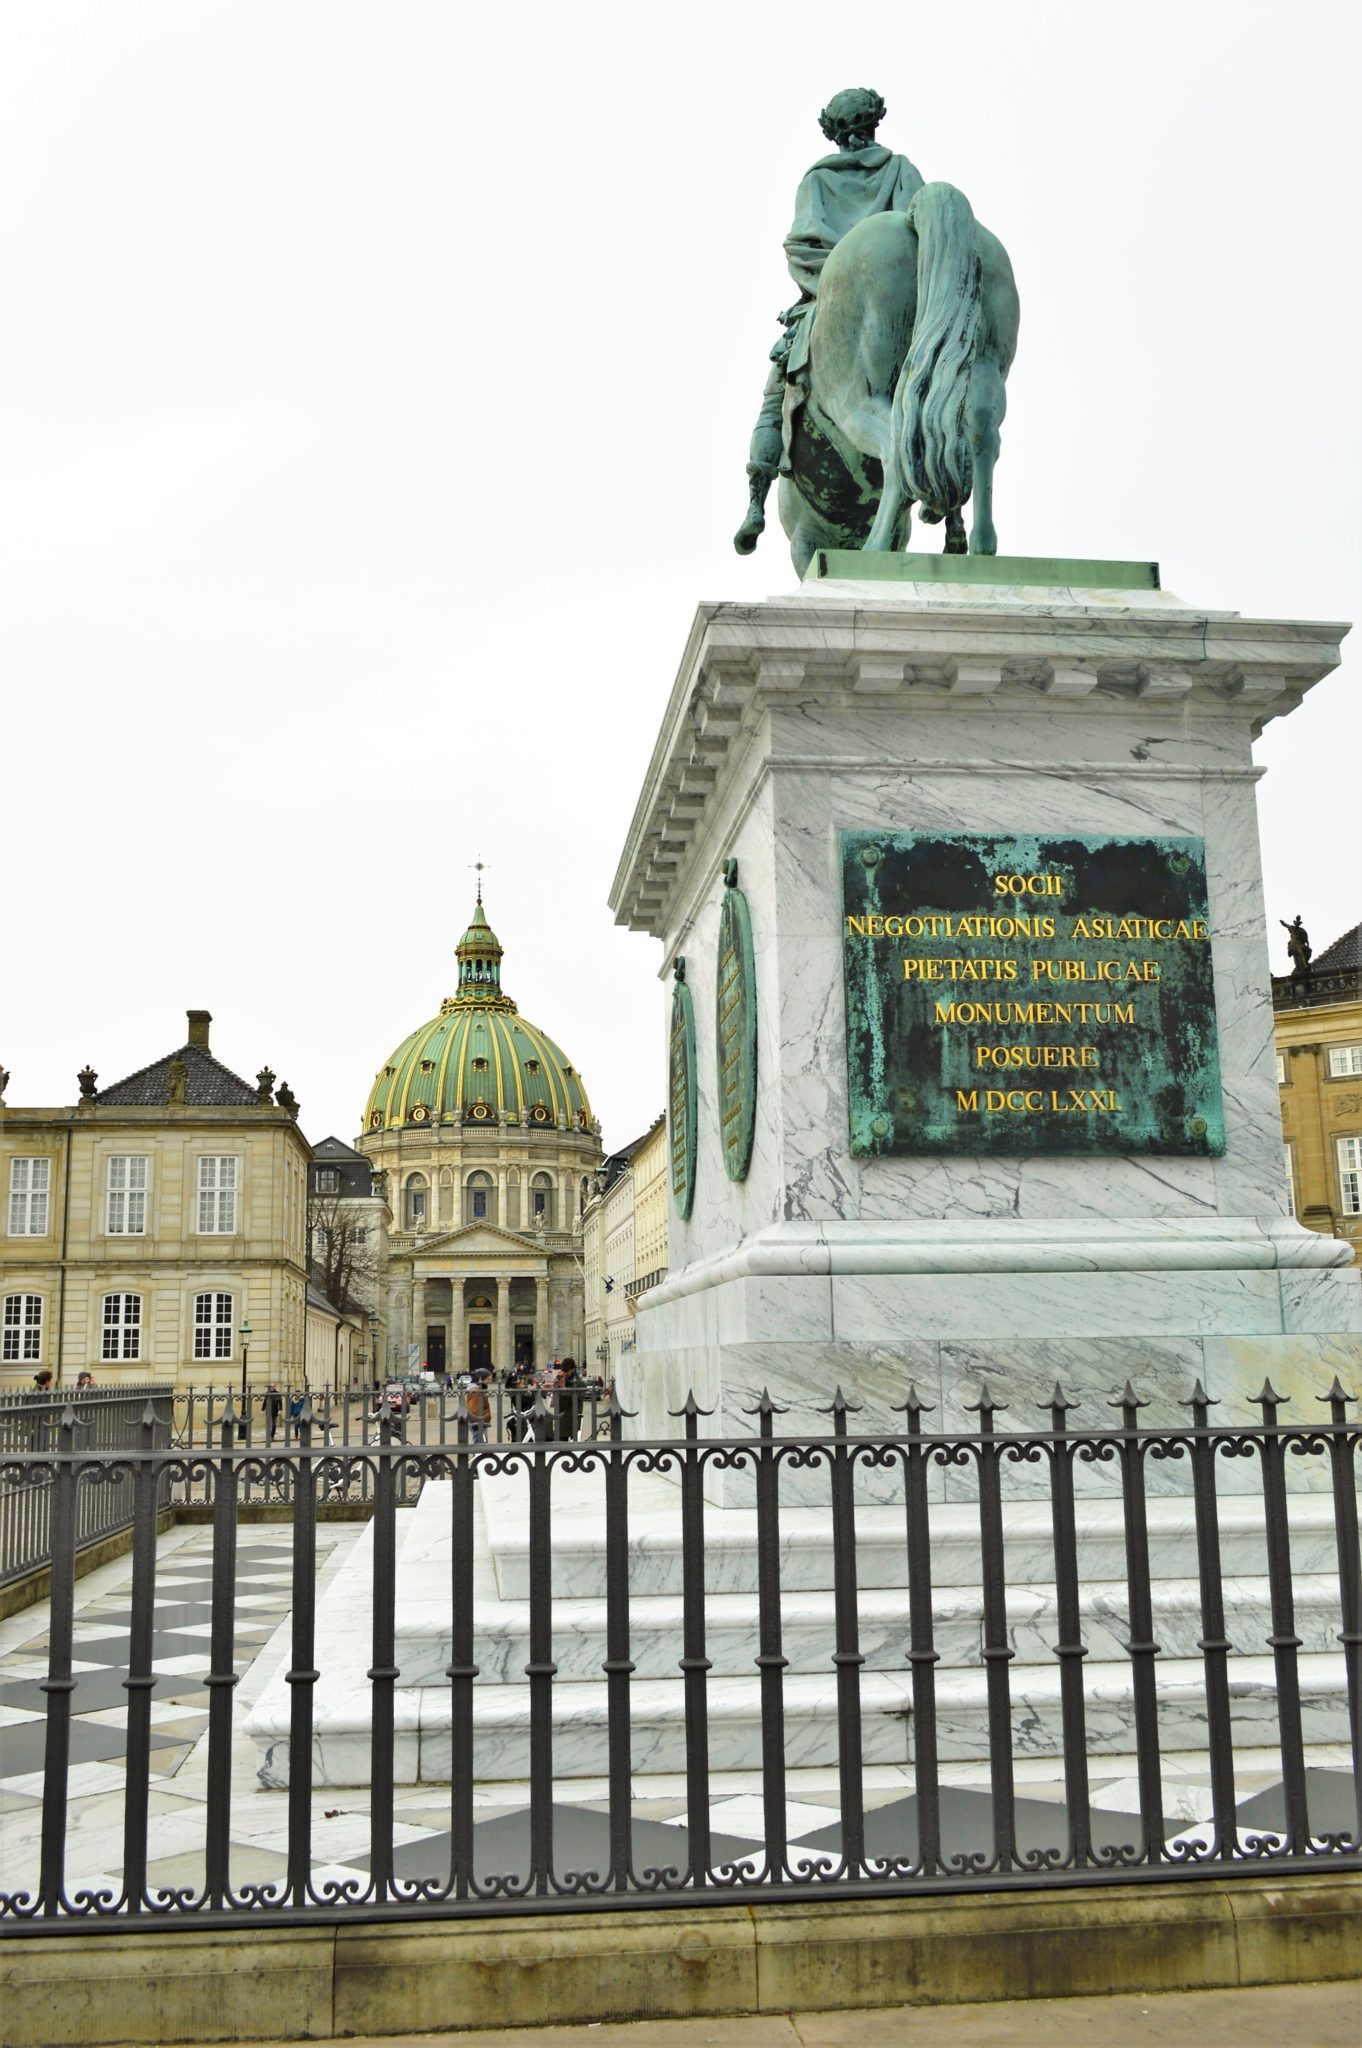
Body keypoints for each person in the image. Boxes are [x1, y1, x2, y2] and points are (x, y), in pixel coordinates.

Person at [734, 87, 923, 555]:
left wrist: (838, 286)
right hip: (906, 306)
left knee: (777, 388)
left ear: (832, 133)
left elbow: (802, 246)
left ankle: (755, 502)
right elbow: (923, 236)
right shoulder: (902, 170)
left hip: (830, 302)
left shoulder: (817, 181)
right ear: (876, 121)